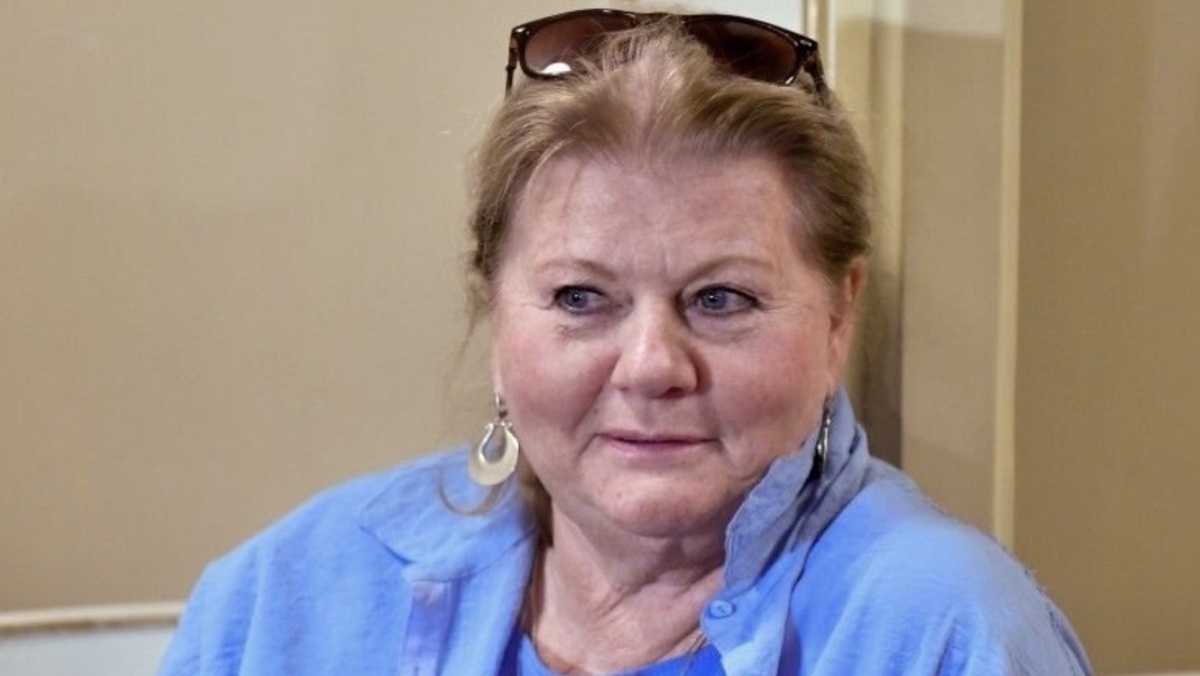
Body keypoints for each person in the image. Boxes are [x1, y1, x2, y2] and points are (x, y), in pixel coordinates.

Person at [160, 9, 1091, 675]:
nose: (651, 367)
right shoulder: (277, 602)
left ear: (838, 317)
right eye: (581, 297)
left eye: (721, 298)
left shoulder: (945, 635)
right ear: (496, 317)